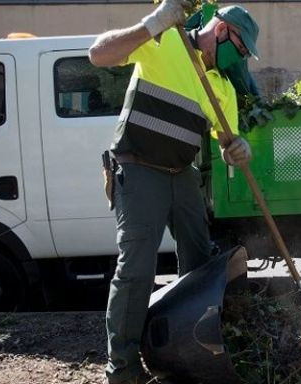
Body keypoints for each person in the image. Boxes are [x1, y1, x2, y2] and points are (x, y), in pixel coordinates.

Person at [88, 1, 259, 383]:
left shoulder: (221, 87)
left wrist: (239, 149)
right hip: (137, 166)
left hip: (181, 174)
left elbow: (226, 142)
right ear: (220, 31)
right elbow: (98, 55)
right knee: (136, 269)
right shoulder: (166, 42)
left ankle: (190, 352)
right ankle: (124, 369)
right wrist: (152, 24)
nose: (242, 58)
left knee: (201, 264)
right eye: (242, 48)